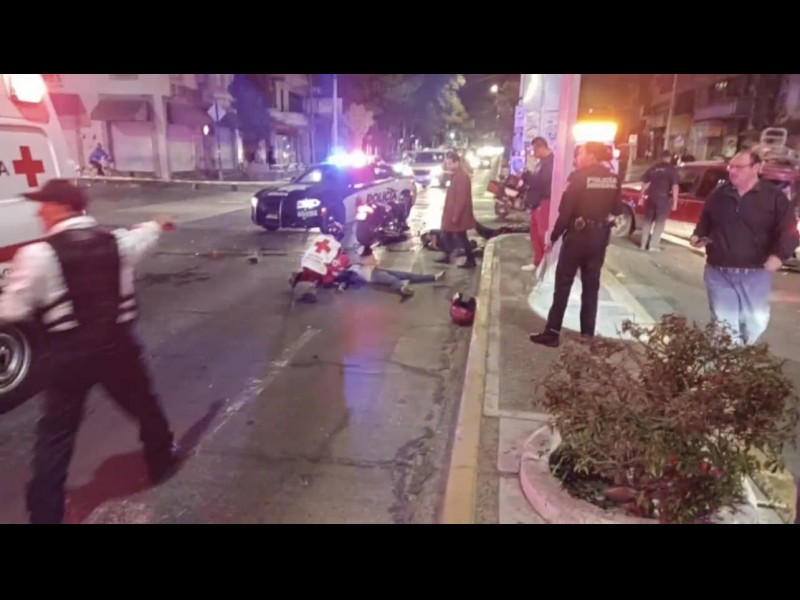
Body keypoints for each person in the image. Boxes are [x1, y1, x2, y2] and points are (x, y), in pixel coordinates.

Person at [0, 179, 178, 524]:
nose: (39, 212)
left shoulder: (38, 255)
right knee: (145, 407)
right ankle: (161, 461)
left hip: (69, 356)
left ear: (63, 206)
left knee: (55, 438)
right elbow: (145, 234)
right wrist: (159, 223)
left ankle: (45, 513)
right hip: (118, 349)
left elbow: (12, 310)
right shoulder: (117, 243)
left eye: (44, 204)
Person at [690, 150, 799, 345]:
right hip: (719, 271)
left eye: (739, 167)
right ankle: (729, 359)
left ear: (757, 168)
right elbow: (706, 219)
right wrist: (698, 235)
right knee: (724, 325)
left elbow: (789, 231)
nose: (732, 171)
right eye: (731, 167)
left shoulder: (774, 198)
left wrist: (778, 256)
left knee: (755, 322)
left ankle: (741, 351)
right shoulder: (720, 194)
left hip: (755, 273)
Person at [530, 142, 624, 348]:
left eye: (580, 154)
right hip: (599, 238)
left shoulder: (578, 178)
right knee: (591, 288)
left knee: (563, 284)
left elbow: (566, 212)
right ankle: (587, 336)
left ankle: (552, 333)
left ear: (591, 156)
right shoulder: (613, 179)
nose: (577, 158)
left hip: (577, 238)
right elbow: (617, 209)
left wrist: (553, 237)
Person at [344, 246, 444, 297]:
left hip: (375, 271)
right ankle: (402, 288)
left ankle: (433, 277)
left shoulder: (357, 264)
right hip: (373, 275)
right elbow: (365, 267)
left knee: (403, 275)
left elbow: (371, 263)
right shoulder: (356, 267)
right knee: (393, 279)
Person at [436, 152, 477, 269]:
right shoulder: (457, 175)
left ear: (457, 163)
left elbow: (461, 199)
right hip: (454, 213)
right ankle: (448, 255)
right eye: (446, 163)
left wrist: (456, 216)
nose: (447, 166)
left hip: (458, 214)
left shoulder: (461, 177)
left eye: (449, 163)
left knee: (462, 237)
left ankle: (470, 260)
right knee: (448, 234)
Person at [520, 137, 555, 272]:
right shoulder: (540, 163)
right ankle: (538, 261)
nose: (534, 153)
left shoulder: (551, 162)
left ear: (541, 147)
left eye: (535, 149)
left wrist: (528, 176)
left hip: (544, 201)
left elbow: (542, 181)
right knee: (534, 233)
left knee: (542, 233)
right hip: (536, 202)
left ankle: (545, 263)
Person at [639, 150, 679, 251]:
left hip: (651, 197)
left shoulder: (653, 168)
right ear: (669, 158)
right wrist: (675, 202)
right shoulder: (672, 170)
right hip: (663, 198)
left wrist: (641, 197)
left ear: (661, 158)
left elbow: (644, 184)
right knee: (659, 222)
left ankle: (643, 245)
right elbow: (675, 186)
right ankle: (653, 245)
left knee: (647, 221)